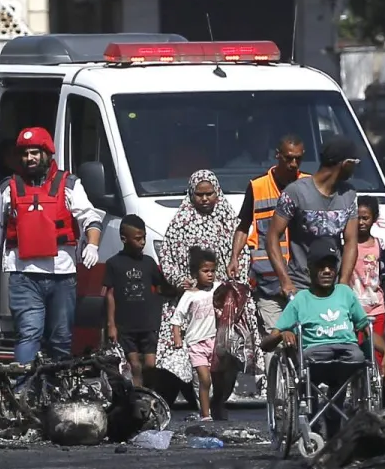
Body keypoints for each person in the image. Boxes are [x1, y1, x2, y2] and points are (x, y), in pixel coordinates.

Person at [0, 127, 104, 363]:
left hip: (62, 274)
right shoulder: (9, 188)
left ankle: (58, 392)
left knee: (61, 339)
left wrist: (92, 245)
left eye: (35, 152)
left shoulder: (69, 185)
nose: (29, 158)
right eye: (24, 154)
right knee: (28, 335)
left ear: (47, 153)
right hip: (23, 276)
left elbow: (91, 218)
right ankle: (24, 392)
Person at [262, 239, 385, 436]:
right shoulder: (301, 300)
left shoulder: (345, 294)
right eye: (321, 266)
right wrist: (283, 333)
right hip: (314, 357)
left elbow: (365, 328)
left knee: (355, 360)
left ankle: (334, 416)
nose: (326, 271)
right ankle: (314, 418)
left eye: (330, 267)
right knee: (309, 369)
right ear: (309, 270)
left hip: (347, 356)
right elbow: (266, 344)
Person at [153, 171, 249, 412]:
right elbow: (167, 255)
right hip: (189, 302)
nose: (205, 199)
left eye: (210, 194)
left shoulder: (228, 219)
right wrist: (180, 280)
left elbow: (242, 255)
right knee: (189, 359)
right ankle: (201, 405)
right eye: (200, 194)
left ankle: (218, 402)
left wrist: (232, 286)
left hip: (222, 304)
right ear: (191, 194)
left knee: (226, 358)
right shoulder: (181, 221)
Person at [230, 136, 307, 347]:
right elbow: (244, 226)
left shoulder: (309, 185)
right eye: (289, 159)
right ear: (277, 156)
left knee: (305, 342)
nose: (293, 165)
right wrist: (234, 257)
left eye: (298, 160)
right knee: (277, 344)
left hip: (302, 279)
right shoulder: (257, 187)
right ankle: (274, 378)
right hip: (269, 281)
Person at [266, 137, 361, 298]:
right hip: (301, 286)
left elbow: (351, 241)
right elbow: (272, 237)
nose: (355, 169)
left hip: (332, 286)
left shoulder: (349, 195)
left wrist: (343, 283)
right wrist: (285, 281)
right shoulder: (295, 192)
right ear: (346, 164)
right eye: (354, 164)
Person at [104, 214, 169, 388]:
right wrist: (111, 324)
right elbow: (109, 294)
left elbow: (161, 287)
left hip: (147, 324)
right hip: (126, 325)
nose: (142, 242)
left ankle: (151, 395)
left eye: (144, 238)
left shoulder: (148, 263)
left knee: (150, 365)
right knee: (135, 366)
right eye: (138, 239)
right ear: (124, 239)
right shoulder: (114, 264)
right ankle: (137, 399)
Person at [171, 247, 225, 428]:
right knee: (204, 379)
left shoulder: (218, 289)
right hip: (196, 343)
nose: (210, 275)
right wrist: (177, 338)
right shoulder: (189, 296)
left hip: (215, 341)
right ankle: (205, 414)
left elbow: (232, 294)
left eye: (213, 271)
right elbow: (177, 319)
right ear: (195, 273)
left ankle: (216, 407)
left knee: (218, 379)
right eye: (205, 271)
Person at [351, 196, 385, 367]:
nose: (361, 222)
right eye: (357, 217)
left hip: (376, 309)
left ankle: (375, 391)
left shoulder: (381, 246)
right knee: (355, 353)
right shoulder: (346, 245)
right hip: (352, 310)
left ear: (374, 218)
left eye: (365, 218)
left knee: (376, 354)